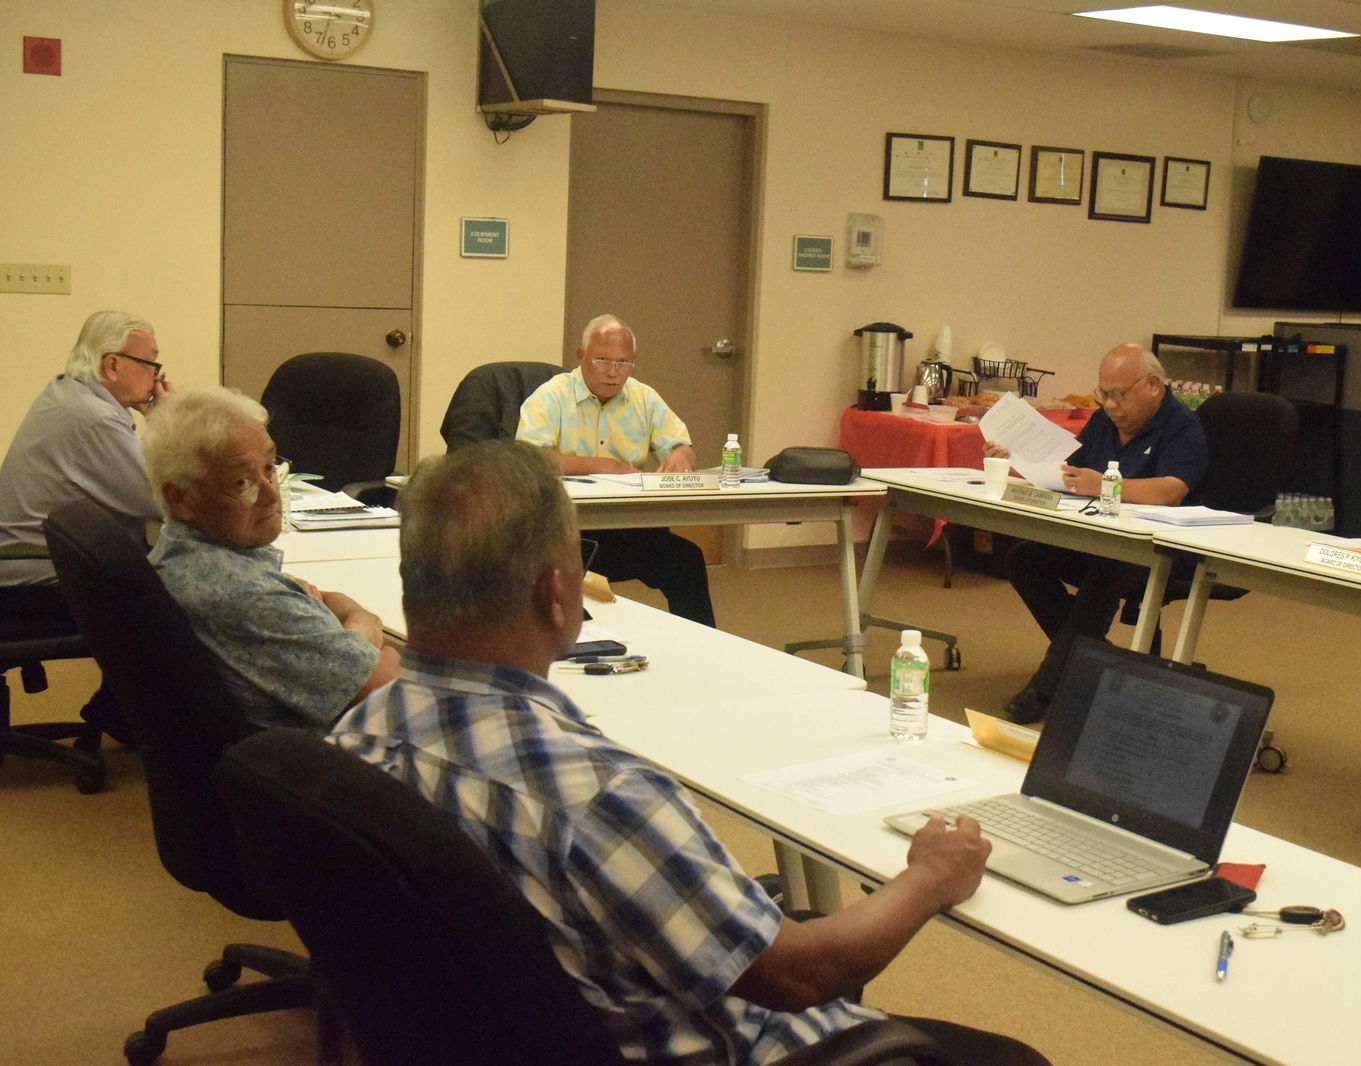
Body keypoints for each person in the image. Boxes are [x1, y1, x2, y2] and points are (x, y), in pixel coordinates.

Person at [329, 440, 1049, 1066]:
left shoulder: (357, 733)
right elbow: (798, 977)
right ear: (557, 593)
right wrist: (929, 877)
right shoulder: (596, 795)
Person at [144, 386, 399, 730]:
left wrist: (335, 616)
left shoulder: (183, 550)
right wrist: (362, 619)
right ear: (180, 497)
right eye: (241, 482)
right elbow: (388, 685)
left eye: (270, 467)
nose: (269, 493)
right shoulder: (243, 595)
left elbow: (326, 600)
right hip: (323, 762)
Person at [990, 344, 1207, 724]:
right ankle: (1096, 661)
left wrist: (1105, 486)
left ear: (1153, 386)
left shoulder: (1183, 425)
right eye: (1103, 393)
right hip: (1098, 535)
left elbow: (1172, 490)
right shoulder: (1104, 422)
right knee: (1023, 557)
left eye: (1118, 394)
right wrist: (1016, 457)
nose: (1109, 404)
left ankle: (1046, 686)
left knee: (1106, 574)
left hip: (1157, 549)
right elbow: (1069, 472)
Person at [0, 310, 173, 741]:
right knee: (174, 594)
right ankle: (119, 715)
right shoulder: (94, 418)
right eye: (151, 365)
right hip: (28, 578)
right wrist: (168, 421)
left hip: (19, 560)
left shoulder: (71, 394)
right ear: (111, 364)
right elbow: (163, 501)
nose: (157, 377)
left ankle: (118, 712)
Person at [516, 313, 716, 627]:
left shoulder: (643, 397)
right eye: (602, 360)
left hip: (627, 527)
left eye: (623, 363)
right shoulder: (551, 396)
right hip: (565, 531)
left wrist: (681, 455)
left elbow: (679, 444)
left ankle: (706, 650)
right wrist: (599, 465)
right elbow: (530, 458)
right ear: (580, 356)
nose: (613, 373)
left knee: (685, 559)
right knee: (548, 564)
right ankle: (577, 647)